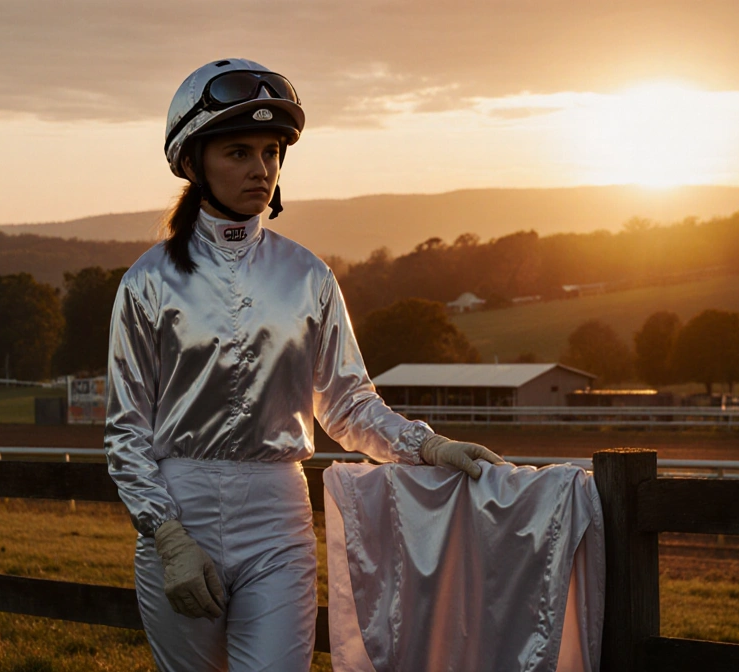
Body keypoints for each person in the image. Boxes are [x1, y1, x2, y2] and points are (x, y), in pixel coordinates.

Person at [103, 57, 506, 672]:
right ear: (194, 162)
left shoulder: (309, 275)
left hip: (278, 516)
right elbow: (127, 432)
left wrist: (429, 447)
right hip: (178, 516)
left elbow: (346, 403)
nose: (260, 169)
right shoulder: (146, 283)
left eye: (270, 152)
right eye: (238, 152)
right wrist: (166, 535)